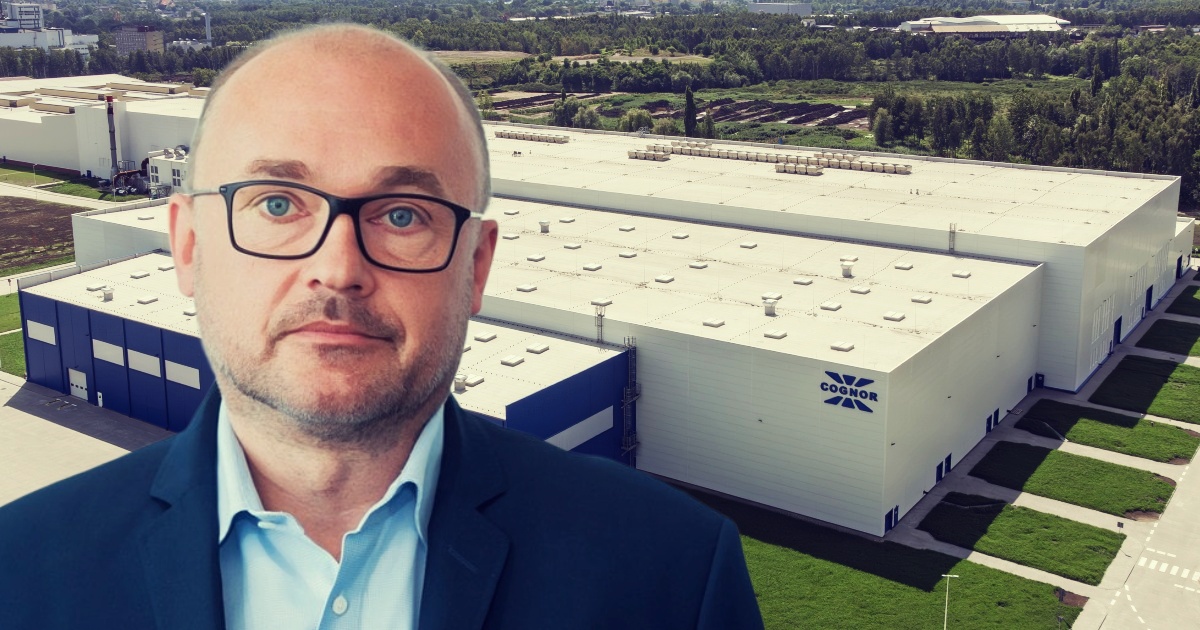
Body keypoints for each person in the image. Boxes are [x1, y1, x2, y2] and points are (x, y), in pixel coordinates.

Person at [0, 24, 763, 630]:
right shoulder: (21, 573)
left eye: (402, 215)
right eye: (277, 203)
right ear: (189, 246)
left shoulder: (672, 574)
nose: (338, 269)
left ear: (476, 266)